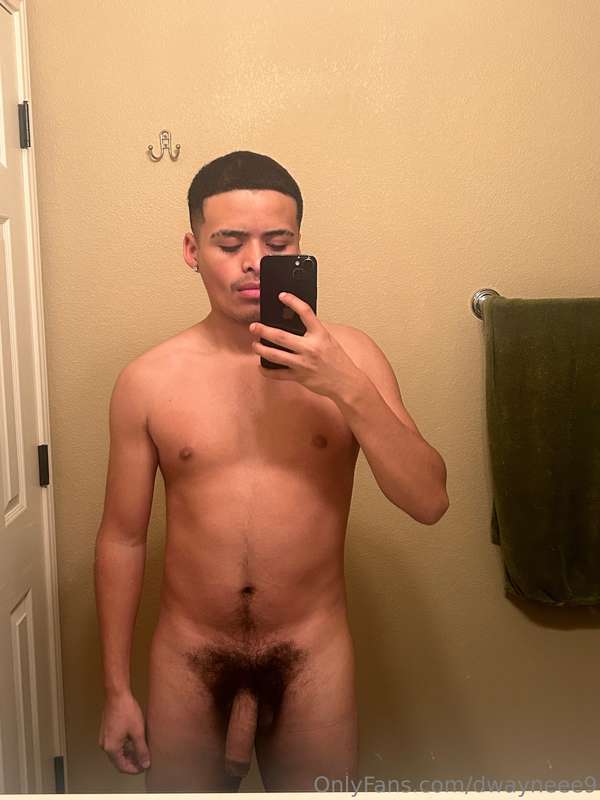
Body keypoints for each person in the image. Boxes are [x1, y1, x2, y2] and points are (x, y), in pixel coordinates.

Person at [94, 150, 449, 792]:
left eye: (277, 244)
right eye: (230, 243)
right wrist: (117, 689)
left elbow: (429, 500)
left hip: (311, 656)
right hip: (189, 659)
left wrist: (345, 385)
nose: (254, 262)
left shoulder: (354, 358)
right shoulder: (147, 380)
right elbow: (121, 538)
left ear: (299, 247)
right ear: (192, 249)